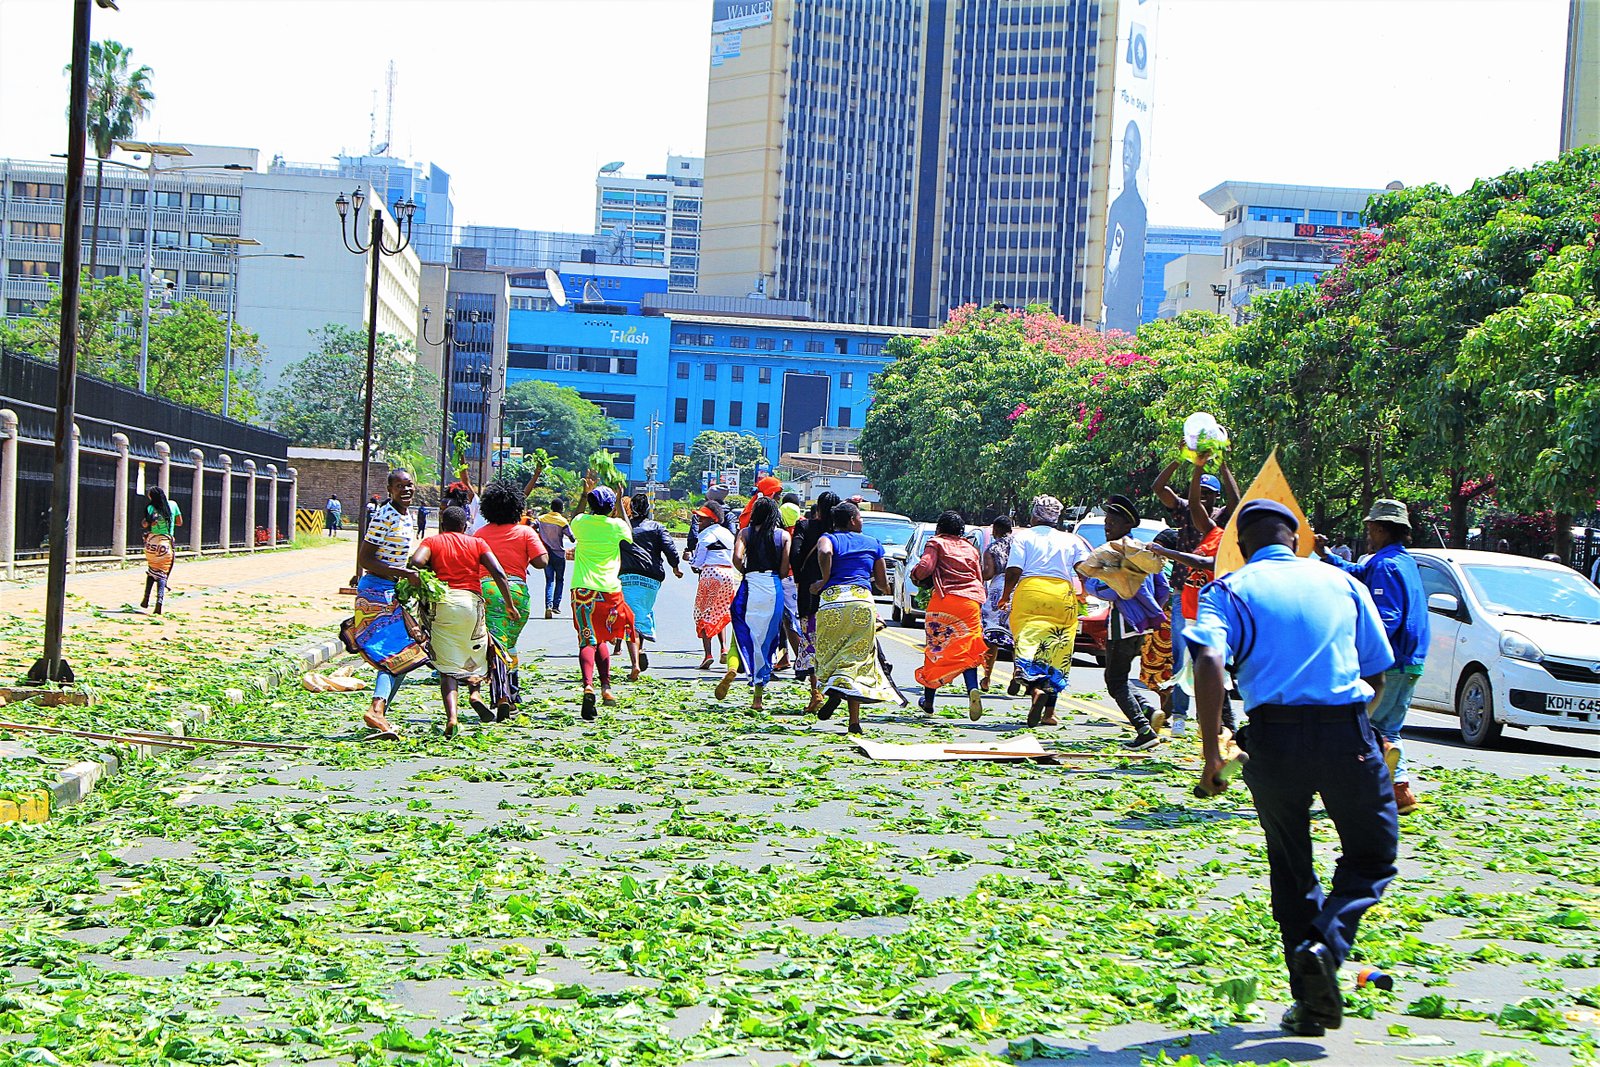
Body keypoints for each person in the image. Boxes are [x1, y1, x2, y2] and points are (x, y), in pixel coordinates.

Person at [1187, 499, 1398, 1038]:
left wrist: (1213, 753)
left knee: (1291, 861)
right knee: (1372, 855)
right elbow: (1376, 669)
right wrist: (1354, 729)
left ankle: (1311, 1001)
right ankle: (1325, 947)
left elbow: (1208, 659)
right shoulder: (1343, 582)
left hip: (1271, 738)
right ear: (1298, 536)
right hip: (1345, 731)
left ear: (1241, 544)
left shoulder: (1227, 590)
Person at [1315, 500, 1429, 815]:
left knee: (1366, 727)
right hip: (1412, 661)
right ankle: (1400, 789)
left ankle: (1370, 781)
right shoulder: (1399, 561)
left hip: (1391, 662)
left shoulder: (1387, 566)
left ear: (1380, 528)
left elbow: (1386, 618)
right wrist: (1327, 556)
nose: (1367, 535)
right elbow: (1359, 572)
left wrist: (1357, 650)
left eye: (1369, 529)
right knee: (1388, 726)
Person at [409, 506, 520, 736]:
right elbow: (498, 572)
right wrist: (509, 604)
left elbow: (415, 563)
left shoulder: (432, 542)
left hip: (443, 604)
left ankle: (452, 718)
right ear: (465, 525)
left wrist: (424, 576)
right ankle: (475, 694)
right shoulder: (477, 543)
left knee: (447, 666)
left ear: (442, 523)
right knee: (475, 652)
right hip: (471, 604)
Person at [1150, 455, 1239, 736]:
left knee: (1214, 660)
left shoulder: (1222, 525)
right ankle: (1179, 715)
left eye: (1209, 495)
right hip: (1185, 592)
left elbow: (1237, 503)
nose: (1204, 499)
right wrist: (1189, 462)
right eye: (1200, 494)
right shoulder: (1194, 515)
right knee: (1182, 657)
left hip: (1215, 597)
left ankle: (1217, 721)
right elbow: (1160, 488)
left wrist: (1223, 465)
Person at [1078, 496, 1169, 749]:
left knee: (1114, 681)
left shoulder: (1112, 553)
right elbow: (1163, 589)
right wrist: (1150, 609)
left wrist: (1107, 590)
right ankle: (1150, 712)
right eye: (1107, 522)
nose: (1107, 527)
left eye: (1112, 523)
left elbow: (1099, 586)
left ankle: (1144, 730)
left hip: (1122, 621)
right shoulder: (1145, 551)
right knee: (1121, 675)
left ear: (1125, 525)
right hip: (1143, 624)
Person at [999, 495, 1092, 728]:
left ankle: (1034, 689)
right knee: (1056, 651)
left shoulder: (1024, 537)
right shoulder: (1072, 540)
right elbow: (1084, 570)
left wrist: (1005, 595)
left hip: (1030, 593)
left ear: (1034, 515)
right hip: (1062, 595)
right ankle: (1049, 713)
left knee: (1027, 646)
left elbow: (1014, 570)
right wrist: (1085, 593)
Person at [810, 500, 897, 734]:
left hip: (833, 603)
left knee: (831, 654)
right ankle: (854, 722)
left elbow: (825, 552)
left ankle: (834, 690)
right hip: (861, 602)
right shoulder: (873, 543)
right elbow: (881, 583)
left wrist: (824, 580)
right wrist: (887, 591)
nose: (862, 521)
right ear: (851, 520)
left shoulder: (829, 538)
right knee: (858, 660)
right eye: (860, 518)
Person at [354, 470, 422, 738]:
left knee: (406, 657)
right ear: (390, 489)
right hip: (375, 591)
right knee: (391, 655)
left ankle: (380, 713)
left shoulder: (407, 516)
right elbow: (365, 559)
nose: (406, 490)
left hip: (392, 589)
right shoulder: (384, 515)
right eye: (399, 486)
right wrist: (404, 574)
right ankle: (376, 711)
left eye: (409, 485)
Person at [475, 479, 548, 715]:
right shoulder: (525, 532)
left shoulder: (480, 534)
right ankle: (509, 693)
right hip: (516, 593)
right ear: (517, 507)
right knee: (510, 644)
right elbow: (541, 562)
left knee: (496, 645)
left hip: (486, 591)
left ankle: (503, 694)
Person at [910, 510, 988, 721]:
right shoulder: (970, 548)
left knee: (936, 648)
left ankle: (928, 702)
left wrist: (915, 575)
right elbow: (979, 577)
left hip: (945, 602)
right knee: (968, 648)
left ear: (939, 528)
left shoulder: (936, 543)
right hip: (971, 603)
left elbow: (925, 567)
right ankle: (972, 688)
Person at [568, 486, 636, 720]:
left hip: (583, 590)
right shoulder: (616, 526)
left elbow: (572, 519)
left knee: (587, 639)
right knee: (604, 638)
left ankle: (588, 685)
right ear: (611, 508)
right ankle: (606, 687)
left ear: (590, 504)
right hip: (609, 591)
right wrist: (619, 502)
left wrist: (583, 494)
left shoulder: (582, 523)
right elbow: (629, 531)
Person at [723, 496, 793, 709]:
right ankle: (758, 698)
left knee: (743, 632)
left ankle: (734, 668)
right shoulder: (783, 536)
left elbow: (736, 557)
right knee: (767, 641)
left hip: (750, 585)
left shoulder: (745, 533)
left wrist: (746, 571)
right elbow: (784, 568)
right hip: (772, 587)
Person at [619, 492, 682, 680]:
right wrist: (676, 567)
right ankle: (641, 649)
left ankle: (635, 663)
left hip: (627, 577)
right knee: (641, 612)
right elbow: (670, 548)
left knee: (632, 618)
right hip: (651, 579)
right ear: (647, 509)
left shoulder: (624, 528)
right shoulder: (657, 527)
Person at [791, 491, 841, 711]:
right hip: (835, 595)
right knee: (835, 644)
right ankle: (834, 689)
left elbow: (795, 553)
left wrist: (801, 578)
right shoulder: (841, 532)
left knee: (811, 642)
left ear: (818, 508)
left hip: (809, 594)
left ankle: (816, 693)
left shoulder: (805, 527)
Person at [691, 506, 739, 670]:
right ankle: (724, 648)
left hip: (711, 573)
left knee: (703, 612)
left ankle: (708, 655)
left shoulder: (705, 535)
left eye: (703, 519)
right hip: (728, 575)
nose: (699, 522)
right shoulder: (728, 533)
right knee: (721, 610)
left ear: (713, 519)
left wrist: (688, 560)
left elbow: (697, 562)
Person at [979, 515, 1016, 693]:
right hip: (1019, 589)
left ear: (997, 530)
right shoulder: (1020, 544)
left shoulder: (992, 548)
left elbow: (988, 573)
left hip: (999, 590)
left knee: (991, 636)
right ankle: (1018, 674)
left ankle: (986, 678)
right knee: (1018, 636)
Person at [140, 486, 183, 615]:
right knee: (162, 572)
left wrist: (151, 522)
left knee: (152, 569)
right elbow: (179, 522)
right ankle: (159, 600)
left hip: (152, 545)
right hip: (165, 544)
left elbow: (145, 524)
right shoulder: (173, 505)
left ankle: (146, 598)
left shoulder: (151, 508)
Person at [536, 498, 575, 619]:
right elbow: (572, 538)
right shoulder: (562, 521)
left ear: (551, 507)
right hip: (559, 554)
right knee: (559, 580)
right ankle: (556, 606)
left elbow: (532, 527)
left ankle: (548, 605)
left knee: (549, 581)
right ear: (561, 508)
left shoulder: (541, 519)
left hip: (545, 554)